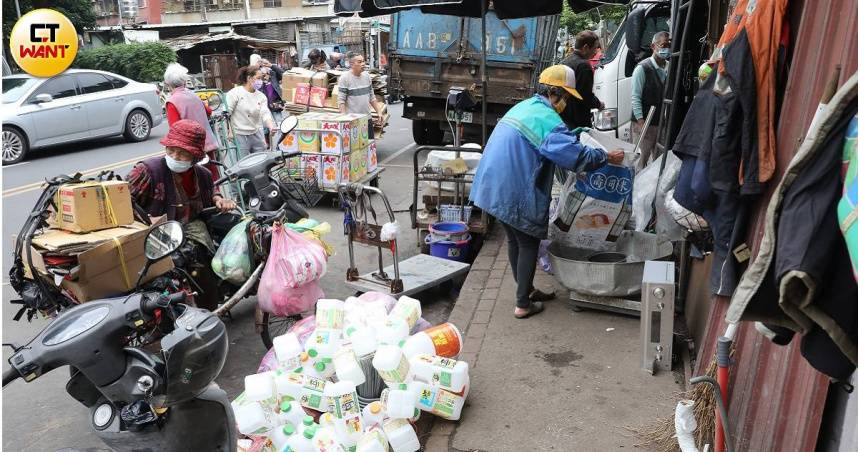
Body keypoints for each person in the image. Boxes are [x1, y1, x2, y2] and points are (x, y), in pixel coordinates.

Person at [469, 65, 624, 319]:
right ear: (554, 93)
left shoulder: (527, 107)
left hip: (491, 185)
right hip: (512, 187)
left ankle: (526, 290)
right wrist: (606, 157)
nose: (565, 103)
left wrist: (575, 133)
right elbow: (573, 156)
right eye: (564, 97)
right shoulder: (547, 119)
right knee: (529, 240)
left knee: (515, 239)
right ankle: (522, 304)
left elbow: (548, 140)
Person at [127, 120, 238, 309]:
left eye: (182, 153)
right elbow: (122, 201)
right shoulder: (147, 171)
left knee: (201, 261)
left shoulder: (202, 174)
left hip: (189, 227)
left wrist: (219, 199)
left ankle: (208, 309)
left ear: (194, 157)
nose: (175, 156)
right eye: (171, 150)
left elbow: (212, 192)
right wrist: (144, 222)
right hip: (155, 231)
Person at [163, 63, 222, 180]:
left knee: (197, 182)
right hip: (207, 144)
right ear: (184, 81)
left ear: (168, 83)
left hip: (190, 150)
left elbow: (175, 129)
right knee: (213, 179)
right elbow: (209, 111)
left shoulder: (172, 101)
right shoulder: (194, 95)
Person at [631, 31, 670, 169]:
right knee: (640, 162)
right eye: (663, 45)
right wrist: (641, 122)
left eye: (669, 45)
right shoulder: (642, 68)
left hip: (661, 123)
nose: (666, 49)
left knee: (659, 164)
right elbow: (635, 97)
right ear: (653, 46)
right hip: (645, 123)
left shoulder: (669, 67)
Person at [226, 65, 276, 157]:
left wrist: (270, 126)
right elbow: (227, 114)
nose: (261, 81)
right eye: (258, 78)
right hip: (239, 134)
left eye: (262, 78)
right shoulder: (234, 93)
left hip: (255, 132)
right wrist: (230, 131)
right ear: (249, 78)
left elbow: (265, 113)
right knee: (243, 164)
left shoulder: (261, 96)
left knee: (261, 161)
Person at [560, 31, 604, 128]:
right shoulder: (584, 66)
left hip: (564, 118)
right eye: (595, 48)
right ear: (585, 48)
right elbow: (585, 95)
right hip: (579, 121)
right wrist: (599, 104)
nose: (596, 51)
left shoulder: (565, 62)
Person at [338, 52, 385, 138]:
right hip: (352, 121)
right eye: (359, 62)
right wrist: (344, 118)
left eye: (363, 61)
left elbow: (372, 97)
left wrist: (379, 112)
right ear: (351, 64)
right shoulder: (345, 78)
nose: (363, 64)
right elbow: (341, 101)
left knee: (369, 146)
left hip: (367, 119)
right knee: (356, 150)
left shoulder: (367, 76)